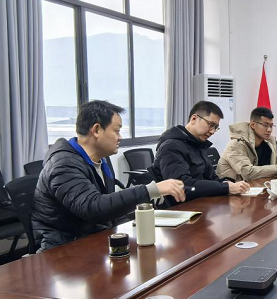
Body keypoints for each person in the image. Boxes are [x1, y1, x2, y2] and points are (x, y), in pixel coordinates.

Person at [32, 100, 185, 251]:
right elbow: (94, 208)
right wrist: (152, 190)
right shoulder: (63, 165)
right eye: (116, 131)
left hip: (92, 239)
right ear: (96, 130)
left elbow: (108, 211)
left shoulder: (100, 161)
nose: (120, 137)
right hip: (62, 249)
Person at [149, 101, 250, 202]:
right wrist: (225, 187)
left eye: (216, 127)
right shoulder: (171, 146)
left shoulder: (198, 145)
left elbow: (211, 178)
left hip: (203, 202)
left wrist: (228, 183)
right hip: (183, 207)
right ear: (194, 119)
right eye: (211, 124)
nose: (212, 131)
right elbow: (182, 186)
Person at [217, 106, 277, 181]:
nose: (269, 130)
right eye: (265, 125)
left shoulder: (268, 142)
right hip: (234, 188)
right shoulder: (237, 144)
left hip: (259, 185)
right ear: (252, 125)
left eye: (271, 126)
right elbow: (247, 173)